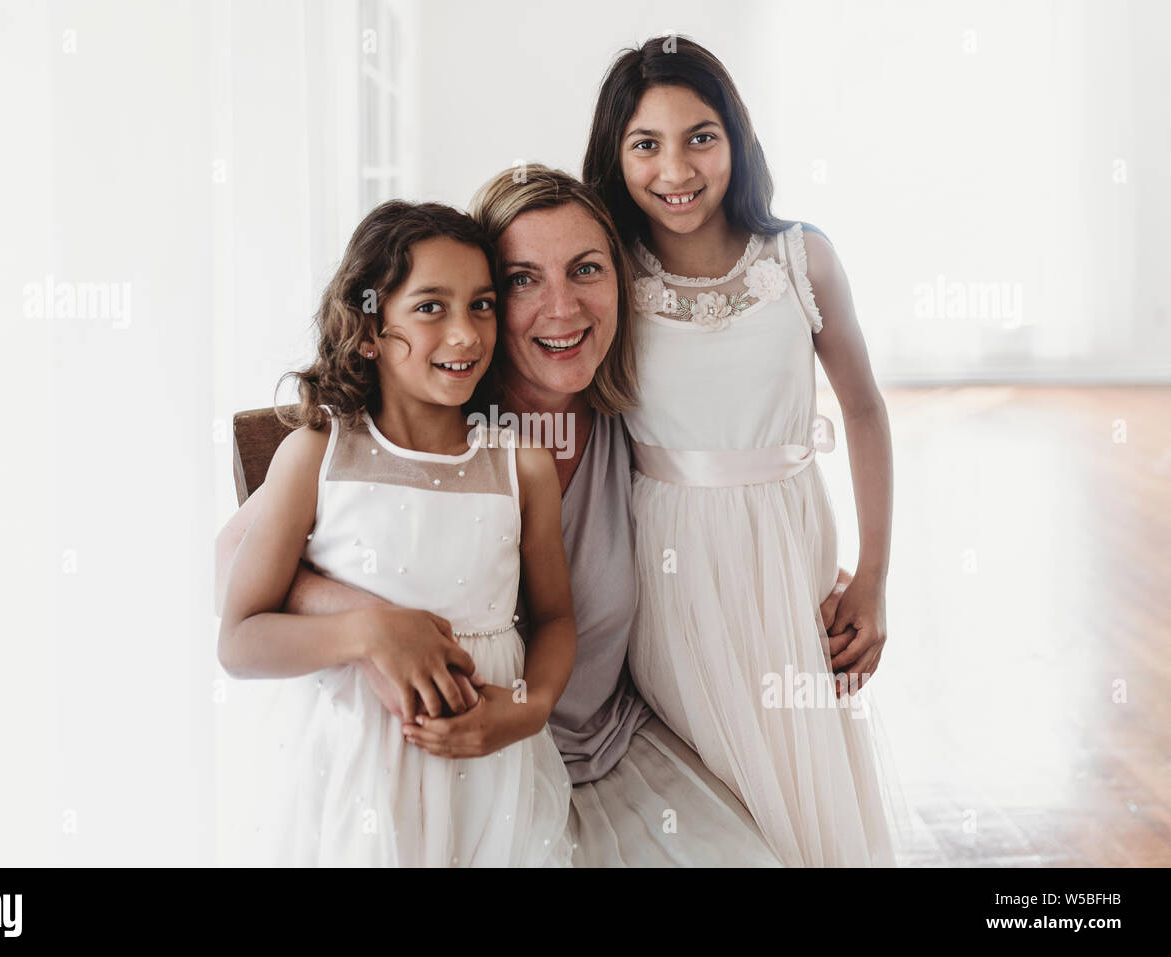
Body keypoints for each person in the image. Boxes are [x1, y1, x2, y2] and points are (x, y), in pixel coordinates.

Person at [216, 167, 854, 866]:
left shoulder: (634, 421)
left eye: (586, 269)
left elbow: (734, 493)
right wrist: (370, 622)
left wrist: (809, 572)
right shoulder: (386, 439)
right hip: (420, 777)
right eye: (522, 280)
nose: (561, 307)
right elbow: (238, 577)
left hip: (598, 757)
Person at [582, 36, 903, 866]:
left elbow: (864, 410)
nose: (676, 169)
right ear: (617, 158)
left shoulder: (801, 259)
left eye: (700, 136)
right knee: (715, 774)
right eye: (645, 143)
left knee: (799, 767)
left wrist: (871, 578)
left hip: (788, 547)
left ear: (736, 138)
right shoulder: (611, 271)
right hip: (669, 561)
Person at [217, 199, 575, 866]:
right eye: (432, 307)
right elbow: (239, 638)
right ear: (369, 329)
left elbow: (556, 619)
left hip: (488, 772)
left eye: (483, 304)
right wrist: (366, 632)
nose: (467, 334)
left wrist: (530, 706)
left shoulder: (521, 466)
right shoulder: (319, 453)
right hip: (351, 771)